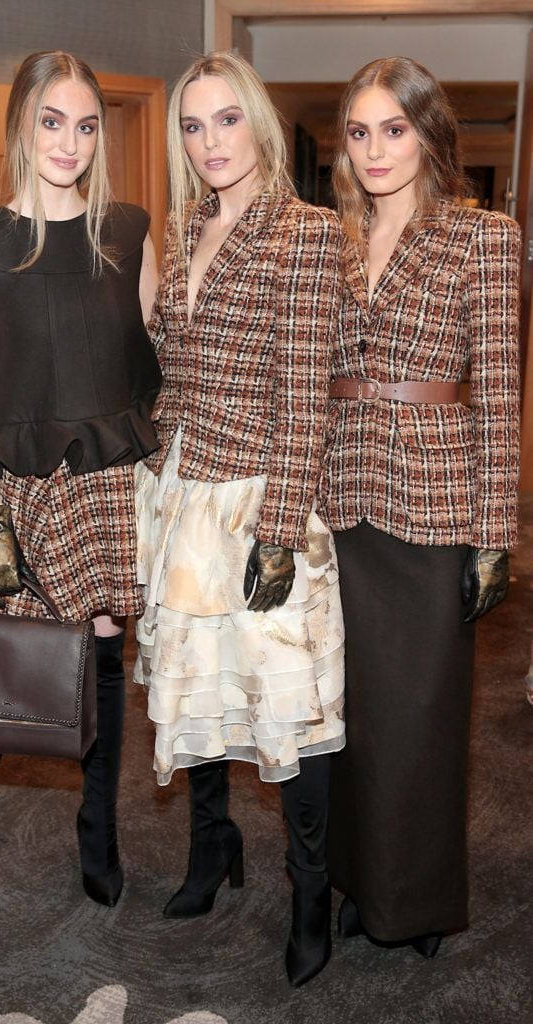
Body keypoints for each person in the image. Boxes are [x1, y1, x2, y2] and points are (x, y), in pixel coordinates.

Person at [0, 50, 161, 964]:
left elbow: (150, 369)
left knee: (101, 673)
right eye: (51, 120)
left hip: (101, 489)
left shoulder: (129, 231)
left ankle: (98, 842)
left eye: (86, 124)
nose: (69, 141)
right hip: (11, 491)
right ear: (22, 123)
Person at [133, 52, 344, 988]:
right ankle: (212, 851)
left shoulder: (305, 232)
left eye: (225, 119)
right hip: (180, 489)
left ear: (256, 122)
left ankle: (309, 891)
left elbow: (305, 392)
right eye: (191, 124)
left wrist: (281, 529)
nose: (209, 141)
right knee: (197, 686)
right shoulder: (181, 231)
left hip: (259, 492)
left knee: (281, 705)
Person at [320, 56, 521, 958]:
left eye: (393, 129)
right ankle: (358, 882)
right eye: (359, 132)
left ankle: (420, 901)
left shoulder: (485, 239)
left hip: (433, 506)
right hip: (340, 500)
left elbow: (500, 394)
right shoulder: (328, 238)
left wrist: (494, 534)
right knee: (350, 714)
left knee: (423, 719)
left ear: (429, 134)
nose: (374, 150)